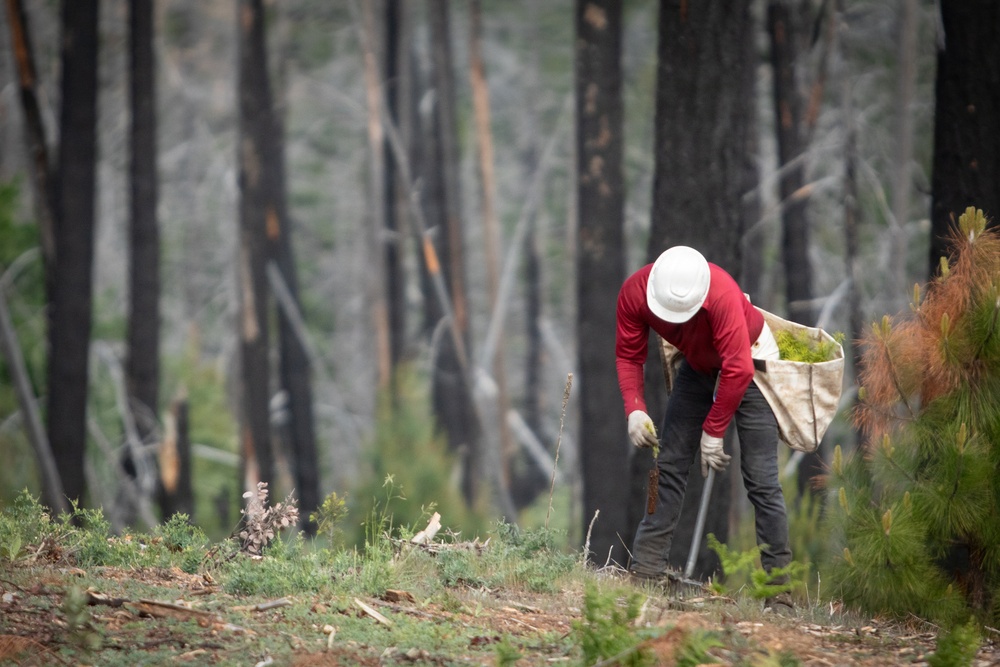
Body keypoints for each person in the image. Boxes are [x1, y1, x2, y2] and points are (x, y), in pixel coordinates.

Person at [615, 245, 792, 610]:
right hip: (698, 365)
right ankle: (646, 572)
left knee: (761, 480)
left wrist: (714, 432)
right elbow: (629, 354)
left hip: (753, 360)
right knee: (670, 463)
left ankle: (779, 594)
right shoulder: (636, 291)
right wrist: (634, 408)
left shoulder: (721, 293)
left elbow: (738, 369)